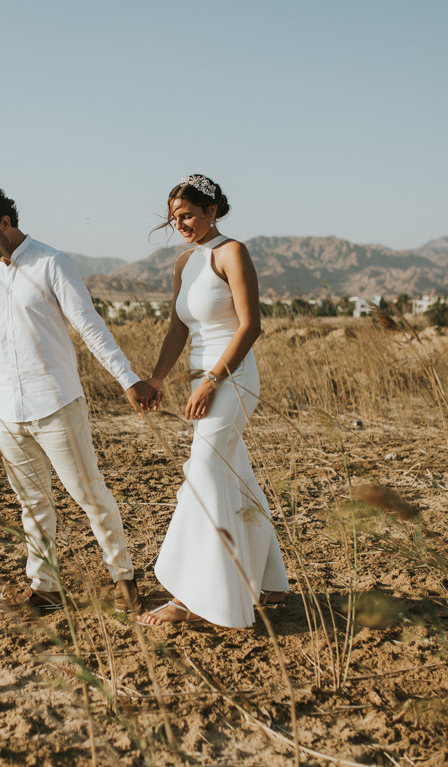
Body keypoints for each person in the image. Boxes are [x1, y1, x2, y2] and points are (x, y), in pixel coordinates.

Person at [0, 184, 156, 615]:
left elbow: (88, 325)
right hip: (8, 412)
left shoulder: (52, 263)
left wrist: (127, 378)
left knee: (89, 494)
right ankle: (45, 588)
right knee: (32, 504)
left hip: (57, 404)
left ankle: (124, 579)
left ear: (5, 222)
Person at [137, 174, 289, 628]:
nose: (179, 223)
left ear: (211, 211)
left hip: (233, 379)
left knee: (202, 474)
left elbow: (250, 326)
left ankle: (191, 600)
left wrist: (211, 382)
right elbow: (177, 329)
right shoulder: (186, 261)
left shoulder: (232, 252)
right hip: (198, 381)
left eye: (187, 214)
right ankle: (269, 580)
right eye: (173, 217)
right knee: (235, 477)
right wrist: (159, 378)